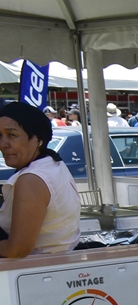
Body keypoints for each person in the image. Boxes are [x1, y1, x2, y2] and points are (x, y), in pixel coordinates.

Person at [0, 102, 80, 258]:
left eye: (12, 135)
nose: (3, 144)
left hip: (35, 273)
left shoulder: (32, 179)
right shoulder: (51, 164)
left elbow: (17, 249)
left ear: (38, 140)